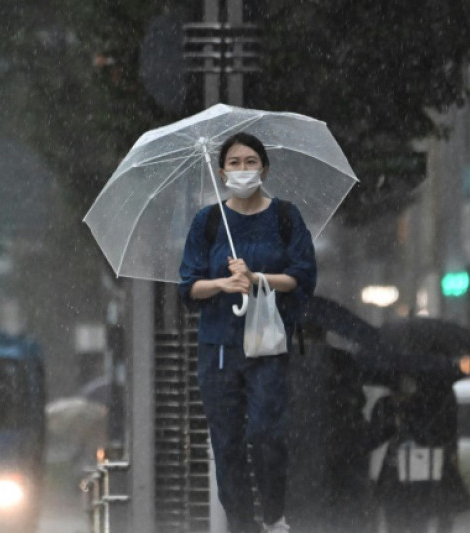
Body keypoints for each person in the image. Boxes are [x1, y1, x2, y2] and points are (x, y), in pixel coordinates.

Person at [179, 132, 317, 533]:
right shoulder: (207, 222)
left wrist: (257, 278)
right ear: (222, 173)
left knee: (266, 433)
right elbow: (188, 287)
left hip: (266, 344)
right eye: (234, 163)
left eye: (250, 161)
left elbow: (301, 277)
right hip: (218, 347)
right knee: (227, 444)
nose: (243, 169)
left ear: (265, 169)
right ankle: (241, 525)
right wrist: (223, 284)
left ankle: (274, 516)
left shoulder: (286, 217)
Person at [365, 374, 470, 533]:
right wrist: (393, 422)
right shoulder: (386, 405)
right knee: (401, 520)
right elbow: (373, 438)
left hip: (419, 471)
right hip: (398, 474)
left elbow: (444, 433)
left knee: (417, 519)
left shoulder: (434, 399)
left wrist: (408, 415)